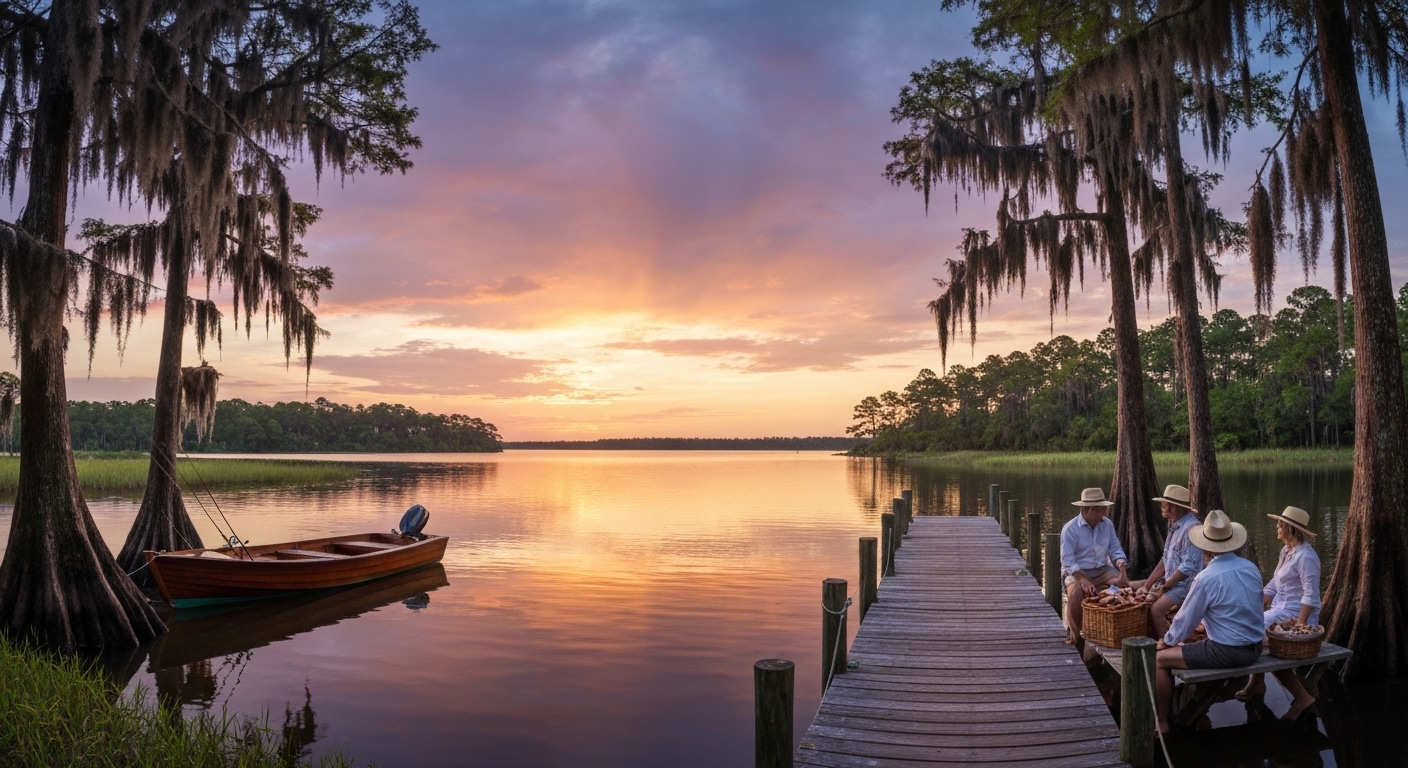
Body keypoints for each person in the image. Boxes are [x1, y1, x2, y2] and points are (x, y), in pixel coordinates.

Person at [1154, 509, 1265, 734]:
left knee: (1160, 660)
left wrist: (1166, 641)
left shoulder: (1206, 578)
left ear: (1205, 548)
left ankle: (1162, 721)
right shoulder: (1250, 567)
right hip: (1255, 647)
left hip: (1229, 652)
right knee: (1185, 646)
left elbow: (1184, 621)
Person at [1236, 506, 1322, 719]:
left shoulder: (1306, 557)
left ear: (1291, 529)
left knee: (1251, 629)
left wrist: (1300, 627)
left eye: (1280, 524)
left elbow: (1311, 595)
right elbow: (1276, 582)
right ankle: (1257, 682)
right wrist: (1257, 599)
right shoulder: (1287, 550)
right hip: (1280, 611)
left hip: (1297, 615)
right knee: (1251, 622)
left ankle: (1275, 688)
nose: (1277, 527)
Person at [1129, 485, 1203, 638]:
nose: (1162, 507)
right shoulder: (1173, 525)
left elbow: (1188, 567)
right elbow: (1165, 559)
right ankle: (1164, 636)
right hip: (1172, 583)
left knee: (1156, 610)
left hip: (1186, 585)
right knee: (1145, 600)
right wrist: (1147, 585)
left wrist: (1167, 586)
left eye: (1164, 504)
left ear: (1173, 506)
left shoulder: (1192, 529)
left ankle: (1169, 645)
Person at [1060, 487, 1128, 648]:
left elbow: (1115, 548)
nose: (1102, 514)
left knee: (1123, 586)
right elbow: (1067, 561)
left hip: (1102, 569)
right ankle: (1076, 634)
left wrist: (1121, 565)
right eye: (1099, 511)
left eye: (1104, 510)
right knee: (1076, 591)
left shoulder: (1107, 524)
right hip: (1076, 572)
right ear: (1086, 510)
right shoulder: (1070, 529)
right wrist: (1082, 578)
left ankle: (1113, 632)